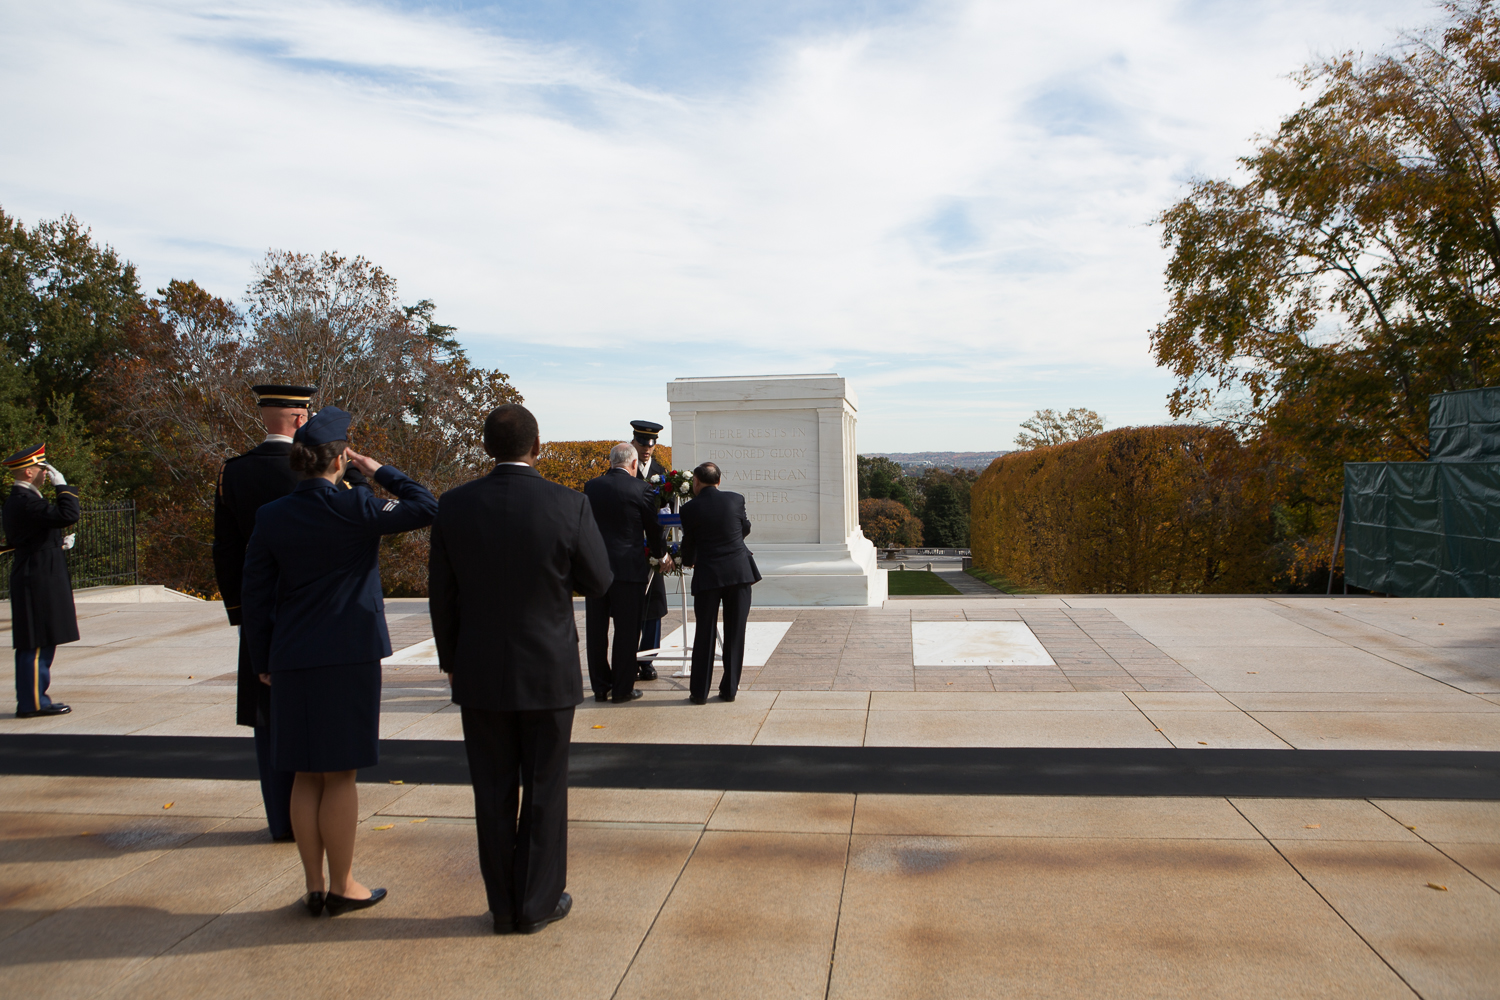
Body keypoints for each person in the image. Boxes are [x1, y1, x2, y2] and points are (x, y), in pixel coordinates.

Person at [241, 406, 437, 918]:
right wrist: (377, 470)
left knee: (305, 774)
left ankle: (312, 885)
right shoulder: (358, 509)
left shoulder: (271, 516)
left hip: (290, 656)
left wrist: (263, 658)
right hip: (347, 656)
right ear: (338, 461)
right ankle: (343, 883)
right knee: (340, 775)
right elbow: (426, 505)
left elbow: (256, 595)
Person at [428, 403, 612, 935]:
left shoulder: (455, 506)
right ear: (537, 446)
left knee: (491, 790)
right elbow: (599, 582)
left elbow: (443, 596)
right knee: (545, 786)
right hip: (548, 667)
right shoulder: (568, 504)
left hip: (479, 669)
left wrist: (451, 662)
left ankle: (503, 905)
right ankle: (536, 903)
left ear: (488, 447)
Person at [212, 383, 315, 842]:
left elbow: (226, 552)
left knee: (267, 721)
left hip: (259, 612)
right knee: (312, 719)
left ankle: (281, 821)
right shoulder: (314, 471)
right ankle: (311, 818)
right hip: (311, 613)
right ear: (299, 419)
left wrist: (241, 615)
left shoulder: (232, 473)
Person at [583, 443, 671, 704]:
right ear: (634, 464)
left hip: (596, 568)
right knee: (626, 631)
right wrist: (660, 554)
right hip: (628, 570)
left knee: (596, 631)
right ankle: (622, 689)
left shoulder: (591, 487)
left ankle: (600, 686)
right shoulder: (641, 489)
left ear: (611, 462)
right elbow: (653, 529)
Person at [3, 444, 79, 719]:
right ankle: (33, 703)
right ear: (27, 471)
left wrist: (57, 544)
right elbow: (68, 515)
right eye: (42, 469)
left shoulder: (23, 500)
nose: (46, 474)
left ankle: (35, 699)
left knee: (41, 640)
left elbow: (33, 535)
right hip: (36, 577)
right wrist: (64, 488)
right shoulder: (26, 500)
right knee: (36, 642)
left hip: (37, 572)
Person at [678, 461, 760, 704]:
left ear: (696, 482)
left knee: (704, 632)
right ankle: (729, 690)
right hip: (739, 572)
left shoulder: (690, 508)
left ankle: (699, 692)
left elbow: (690, 542)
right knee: (735, 632)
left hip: (709, 574)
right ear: (719, 481)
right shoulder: (736, 499)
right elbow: (744, 528)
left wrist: (688, 560)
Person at [628, 420, 670, 681]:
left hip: (653, 547)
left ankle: (648, 658)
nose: (647, 449)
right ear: (634, 442)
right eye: (642, 444)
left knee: (654, 605)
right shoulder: (621, 468)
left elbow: (665, 508)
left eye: (650, 445)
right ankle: (629, 656)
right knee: (631, 606)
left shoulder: (660, 471)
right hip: (631, 548)